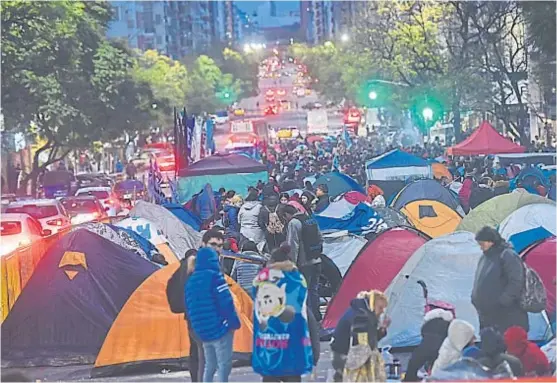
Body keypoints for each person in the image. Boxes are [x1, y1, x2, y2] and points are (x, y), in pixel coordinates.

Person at [252, 244, 320, 382]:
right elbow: (307, 318)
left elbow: (258, 322)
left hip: (269, 352)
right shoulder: (297, 281)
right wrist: (315, 353)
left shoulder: (260, 282)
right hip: (293, 351)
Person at [185, 247, 241, 382]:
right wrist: (234, 323)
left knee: (209, 363)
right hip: (218, 327)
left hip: (200, 329)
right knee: (224, 364)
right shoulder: (214, 277)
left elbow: (189, 304)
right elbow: (226, 302)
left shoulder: (191, 280)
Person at [471, 226, 528, 333]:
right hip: (487, 315)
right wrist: (475, 298)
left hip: (506, 315)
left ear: (491, 241)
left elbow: (516, 281)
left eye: (482, 244)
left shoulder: (507, 255)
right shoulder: (485, 257)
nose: (481, 247)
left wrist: (503, 301)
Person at [330, 290, 390, 382]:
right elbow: (361, 346)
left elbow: (370, 338)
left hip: (340, 354)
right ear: (373, 304)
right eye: (380, 308)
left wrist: (382, 329)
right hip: (344, 356)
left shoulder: (362, 311)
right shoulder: (361, 316)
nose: (382, 312)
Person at [278, 204, 323, 322]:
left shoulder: (294, 223)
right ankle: (317, 315)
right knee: (314, 289)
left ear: (286, 215)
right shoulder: (310, 219)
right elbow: (320, 237)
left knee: (304, 291)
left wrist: (292, 264)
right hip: (317, 259)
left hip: (304, 263)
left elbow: (293, 245)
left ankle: (308, 318)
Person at [166, 249, 204, 381]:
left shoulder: (180, 272)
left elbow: (171, 288)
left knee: (195, 351)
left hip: (190, 317)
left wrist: (180, 307)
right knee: (202, 351)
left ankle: (197, 379)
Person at [404, 309, 454, 381]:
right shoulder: (448, 327)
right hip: (442, 352)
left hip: (427, 346)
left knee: (415, 363)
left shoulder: (430, 327)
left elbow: (415, 361)